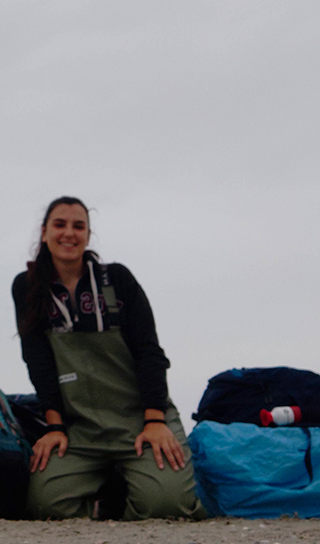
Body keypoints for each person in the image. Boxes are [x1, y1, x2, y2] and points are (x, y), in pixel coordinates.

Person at [12, 196, 205, 521]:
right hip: (80, 428)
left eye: (78, 226)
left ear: (88, 235)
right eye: (60, 225)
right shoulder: (26, 286)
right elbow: (38, 362)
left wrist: (155, 421)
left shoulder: (117, 279)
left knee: (167, 505)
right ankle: (113, 494)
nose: (69, 233)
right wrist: (54, 427)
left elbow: (150, 353)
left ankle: (136, 481)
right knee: (45, 505)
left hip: (138, 420)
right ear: (44, 233)